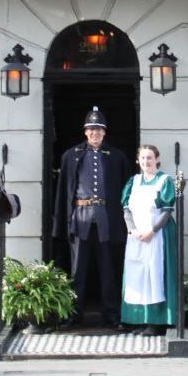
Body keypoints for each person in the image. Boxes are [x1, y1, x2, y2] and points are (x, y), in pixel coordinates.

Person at [52, 106, 130, 328]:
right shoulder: (71, 155)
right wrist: (62, 222)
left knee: (108, 270)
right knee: (77, 272)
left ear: (104, 133)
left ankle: (112, 316)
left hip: (106, 220)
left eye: (99, 130)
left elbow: (125, 191)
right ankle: (73, 315)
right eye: (91, 129)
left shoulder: (117, 156)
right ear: (85, 132)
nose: (95, 133)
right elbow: (63, 192)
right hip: (80, 219)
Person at [120, 145, 177, 336]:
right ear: (138, 161)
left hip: (158, 235)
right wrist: (134, 230)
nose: (146, 162)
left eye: (150, 158)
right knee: (137, 275)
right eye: (143, 158)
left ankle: (157, 322)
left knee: (155, 274)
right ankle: (138, 319)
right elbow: (126, 209)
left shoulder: (164, 181)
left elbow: (167, 211)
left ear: (157, 159)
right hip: (137, 236)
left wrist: (152, 230)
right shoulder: (133, 182)